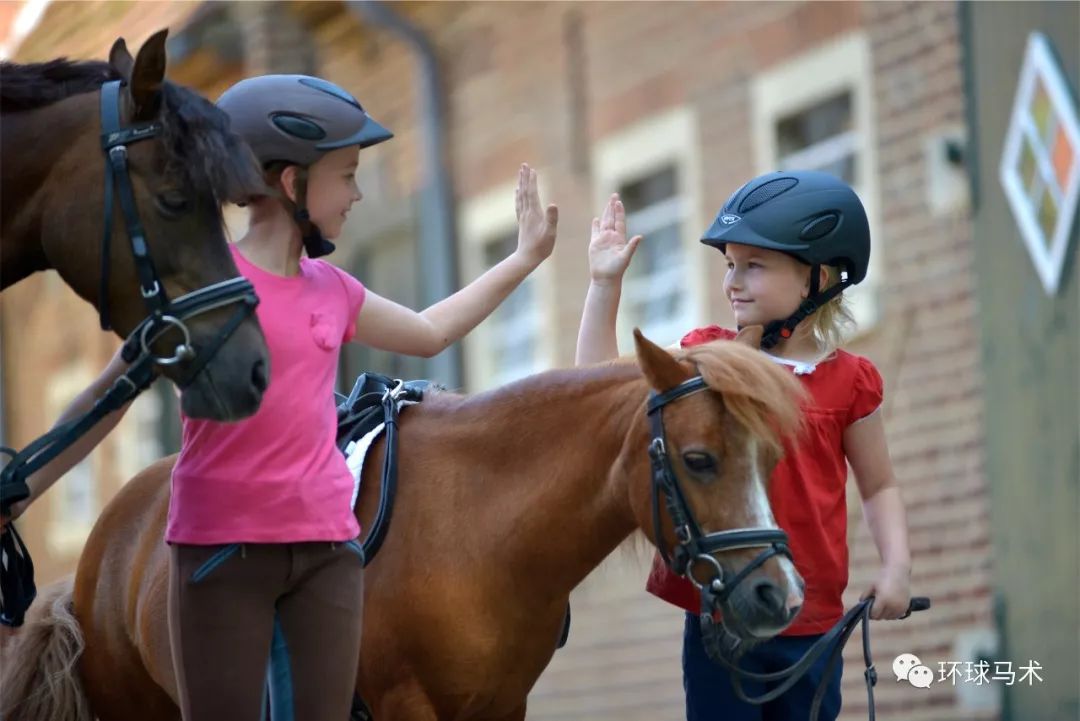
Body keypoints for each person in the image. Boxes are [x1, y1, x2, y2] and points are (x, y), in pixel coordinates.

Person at [5, 74, 558, 721]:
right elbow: (107, 400)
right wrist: (19, 488)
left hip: (327, 550)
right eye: (345, 175)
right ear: (291, 183)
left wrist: (522, 259)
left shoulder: (334, 288)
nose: (355, 193)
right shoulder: (204, 285)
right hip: (221, 552)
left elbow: (431, 331)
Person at [575, 170, 911, 721]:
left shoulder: (851, 382)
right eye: (730, 264)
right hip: (722, 618)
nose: (733, 280)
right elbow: (592, 384)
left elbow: (879, 486)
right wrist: (604, 284)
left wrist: (896, 566)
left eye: (754, 265)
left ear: (816, 278)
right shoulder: (709, 357)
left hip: (810, 622)